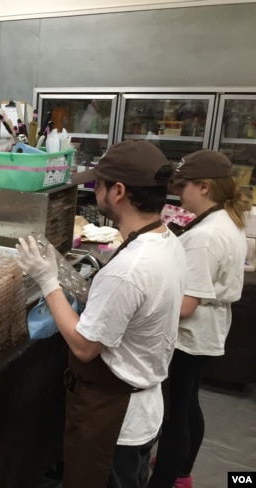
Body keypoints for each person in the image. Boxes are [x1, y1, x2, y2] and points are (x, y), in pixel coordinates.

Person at [16, 140, 187, 488]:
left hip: (115, 422)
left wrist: (48, 279)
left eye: (99, 184)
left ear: (119, 192)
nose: (95, 190)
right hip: (144, 406)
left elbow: (84, 346)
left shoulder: (129, 269)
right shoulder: (167, 241)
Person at [148, 150, 250, 488]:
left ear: (204, 187)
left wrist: (146, 302)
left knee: (176, 412)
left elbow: (185, 306)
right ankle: (182, 473)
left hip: (191, 336)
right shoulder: (225, 219)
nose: (179, 193)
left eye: (184, 186)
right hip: (211, 331)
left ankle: (164, 479)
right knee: (189, 402)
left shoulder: (205, 237)